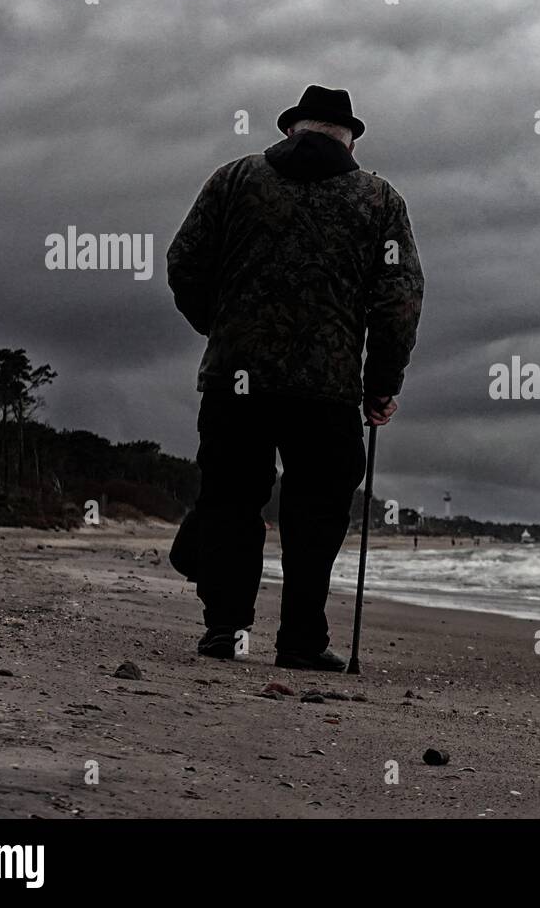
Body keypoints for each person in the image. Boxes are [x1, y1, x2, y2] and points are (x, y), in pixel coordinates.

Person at [166, 85, 423, 671]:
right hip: (326, 390)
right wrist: (381, 383)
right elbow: (399, 299)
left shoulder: (233, 180)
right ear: (349, 137)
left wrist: (221, 325)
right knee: (317, 512)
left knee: (231, 498)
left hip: (236, 378)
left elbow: (184, 262)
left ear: (292, 130)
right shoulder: (380, 201)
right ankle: (301, 640)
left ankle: (225, 631)